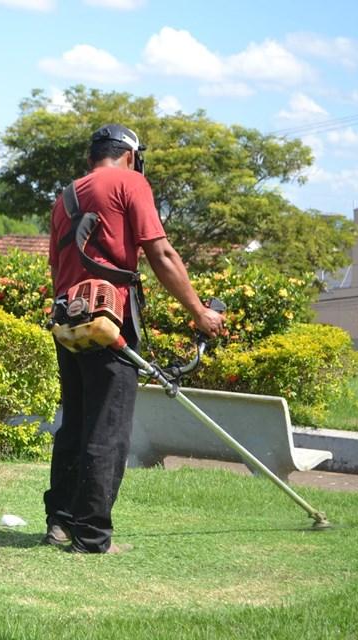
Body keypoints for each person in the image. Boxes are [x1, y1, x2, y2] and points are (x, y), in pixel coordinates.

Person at [43, 124, 224, 553]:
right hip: (108, 321)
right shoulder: (130, 182)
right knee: (108, 428)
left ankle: (60, 522)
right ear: (129, 154)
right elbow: (160, 253)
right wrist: (199, 311)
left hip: (69, 321)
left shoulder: (64, 197)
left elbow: (56, 269)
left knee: (76, 423)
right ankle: (91, 536)